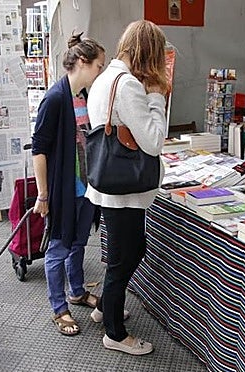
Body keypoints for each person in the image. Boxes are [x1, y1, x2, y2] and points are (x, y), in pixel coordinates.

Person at [85, 20, 168, 355]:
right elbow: (153, 142)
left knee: (130, 252)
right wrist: (158, 99)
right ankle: (115, 334)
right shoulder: (129, 86)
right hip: (125, 191)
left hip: (112, 184)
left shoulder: (106, 78)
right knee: (123, 260)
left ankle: (105, 307)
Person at [31, 33, 106, 336]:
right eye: (99, 66)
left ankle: (76, 291)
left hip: (86, 187)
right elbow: (39, 149)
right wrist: (43, 194)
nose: (101, 72)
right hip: (63, 189)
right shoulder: (55, 98)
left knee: (78, 243)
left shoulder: (83, 97)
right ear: (82, 62)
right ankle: (58, 308)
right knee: (59, 247)